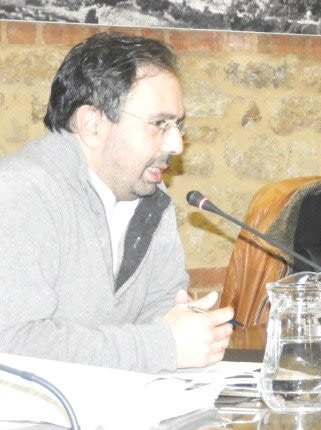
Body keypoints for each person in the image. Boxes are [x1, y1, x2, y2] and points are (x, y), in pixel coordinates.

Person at [0, 32, 234, 372]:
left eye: (178, 125)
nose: (176, 145)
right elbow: (10, 344)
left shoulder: (152, 199)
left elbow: (161, 311)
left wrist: (189, 328)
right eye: (159, 124)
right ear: (93, 125)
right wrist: (162, 346)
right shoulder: (20, 192)